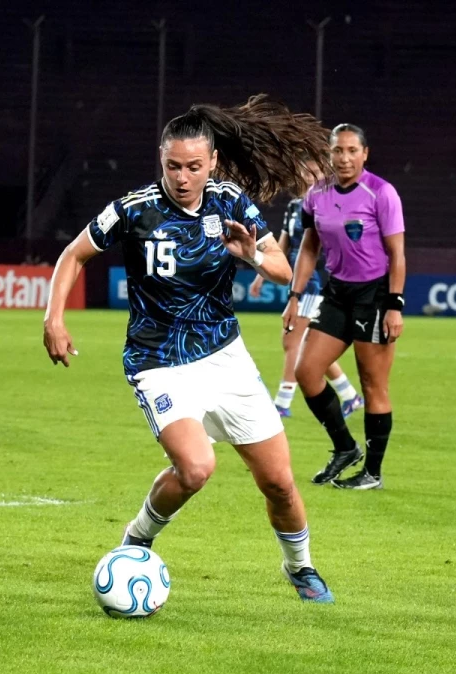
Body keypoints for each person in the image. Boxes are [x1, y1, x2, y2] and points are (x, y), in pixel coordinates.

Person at [43, 95, 336, 603]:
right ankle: (137, 538)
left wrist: (252, 257)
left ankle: (301, 567)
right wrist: (54, 317)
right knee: (197, 468)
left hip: (225, 358)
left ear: (213, 162)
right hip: (158, 362)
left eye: (194, 167)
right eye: (173, 166)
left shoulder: (230, 202)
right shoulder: (133, 210)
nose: (182, 177)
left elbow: (284, 272)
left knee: (280, 485)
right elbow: (74, 254)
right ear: (161, 159)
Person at [286, 124, 406, 490]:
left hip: (374, 294)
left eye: (352, 150)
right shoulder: (316, 194)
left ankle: (372, 473)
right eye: (338, 150)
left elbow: (397, 253)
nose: (344, 157)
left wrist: (394, 305)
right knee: (306, 371)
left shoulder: (381, 193)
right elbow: (309, 246)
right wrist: (295, 295)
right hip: (337, 292)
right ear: (329, 154)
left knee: (373, 384)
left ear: (364, 154)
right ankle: (344, 448)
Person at [248, 162, 363, 419]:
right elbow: (283, 243)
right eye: (303, 171)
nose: (307, 176)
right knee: (307, 346)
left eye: (314, 172)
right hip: (299, 282)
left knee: (292, 341)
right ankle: (349, 395)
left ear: (324, 176)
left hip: (316, 283)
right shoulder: (293, 207)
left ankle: (282, 402)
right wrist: (261, 276)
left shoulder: (330, 205)